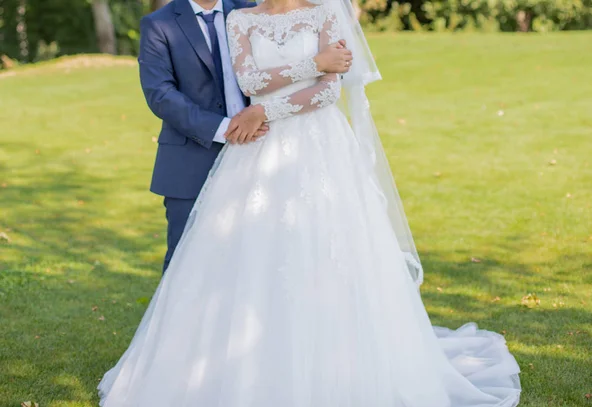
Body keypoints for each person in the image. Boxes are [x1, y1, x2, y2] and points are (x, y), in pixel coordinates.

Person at [98, 0, 522, 405]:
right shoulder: (232, 19)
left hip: (317, 149)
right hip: (246, 153)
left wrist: (268, 110)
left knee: (326, 250)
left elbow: (327, 92)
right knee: (226, 261)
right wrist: (310, 67)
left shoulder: (320, 15)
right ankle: (205, 365)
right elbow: (243, 83)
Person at [138, 0, 352, 273]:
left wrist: (329, 63)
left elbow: (324, 75)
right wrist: (226, 129)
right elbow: (161, 95)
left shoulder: (251, 9)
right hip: (193, 155)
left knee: (263, 255)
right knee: (186, 262)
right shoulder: (160, 24)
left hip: (267, 150)